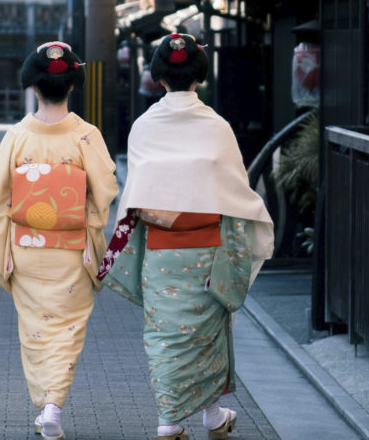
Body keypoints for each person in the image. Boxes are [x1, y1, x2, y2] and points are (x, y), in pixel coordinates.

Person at [98, 33, 274, 440]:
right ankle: (181, 420)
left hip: (162, 252)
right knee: (209, 334)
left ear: (159, 77)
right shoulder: (216, 127)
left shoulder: (144, 126)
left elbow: (137, 193)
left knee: (165, 336)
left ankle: (190, 419)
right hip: (209, 249)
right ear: (200, 75)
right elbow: (236, 191)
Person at [0, 42, 119, 440]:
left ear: (35, 88)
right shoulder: (86, 135)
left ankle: (46, 404)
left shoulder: (17, 136)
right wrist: (83, 217)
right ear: (72, 86)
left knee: (35, 329)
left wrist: (10, 224)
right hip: (72, 249)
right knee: (69, 328)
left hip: (27, 248)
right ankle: (54, 405)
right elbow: (106, 188)